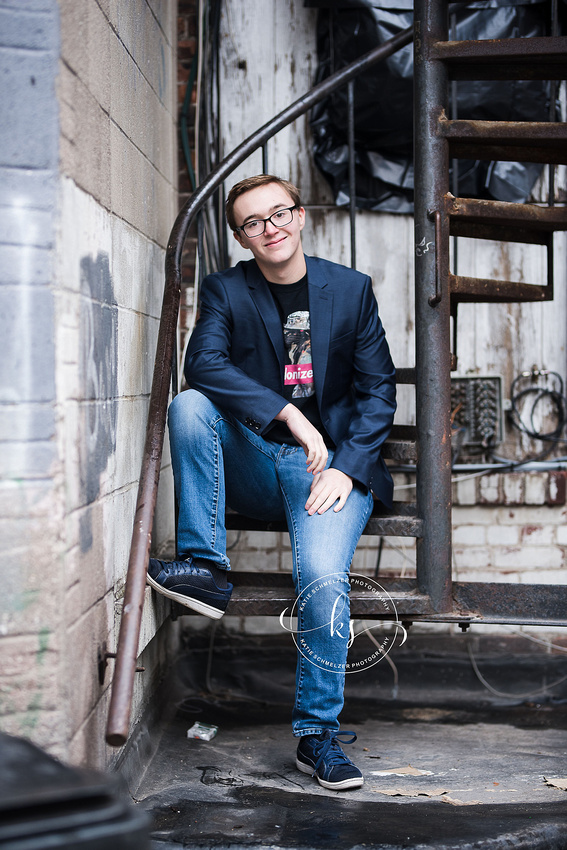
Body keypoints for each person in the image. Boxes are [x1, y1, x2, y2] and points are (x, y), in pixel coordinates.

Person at [148, 174, 396, 791]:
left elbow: (378, 391)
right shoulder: (227, 290)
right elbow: (203, 364)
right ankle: (205, 564)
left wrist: (344, 464)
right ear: (241, 236)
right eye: (253, 222)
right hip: (259, 456)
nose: (270, 228)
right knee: (189, 406)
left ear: (301, 215)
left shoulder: (351, 289)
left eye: (279, 213)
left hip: (329, 471)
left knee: (320, 579)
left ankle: (318, 737)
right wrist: (287, 415)